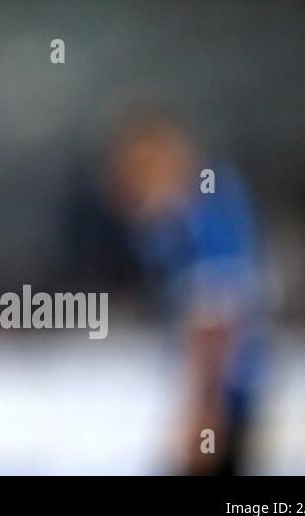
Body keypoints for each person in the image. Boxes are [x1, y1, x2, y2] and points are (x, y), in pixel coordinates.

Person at [108, 113, 268, 475]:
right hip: (217, 390)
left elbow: (218, 313)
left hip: (221, 396)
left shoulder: (203, 214)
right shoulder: (183, 215)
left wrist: (203, 411)